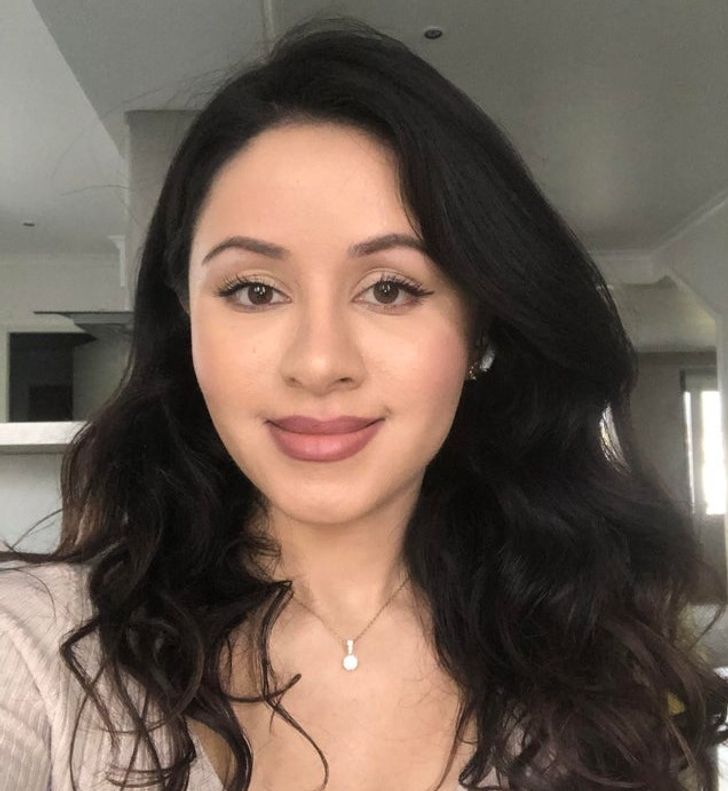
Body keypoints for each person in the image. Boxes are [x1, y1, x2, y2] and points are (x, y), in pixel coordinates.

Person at [1, 14, 727, 791]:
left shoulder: (596, 649)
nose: (320, 363)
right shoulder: (37, 651)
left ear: (480, 329)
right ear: (187, 323)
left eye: (390, 288)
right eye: (254, 290)